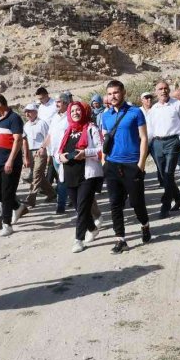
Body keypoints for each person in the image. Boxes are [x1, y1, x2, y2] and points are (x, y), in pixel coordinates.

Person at [101, 80, 151, 253]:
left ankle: (145, 224)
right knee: (115, 203)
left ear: (123, 93)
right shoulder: (105, 115)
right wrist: (104, 161)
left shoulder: (135, 112)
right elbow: (106, 139)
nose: (113, 96)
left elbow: (144, 138)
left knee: (137, 203)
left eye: (116, 92)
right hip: (113, 164)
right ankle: (120, 239)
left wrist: (141, 164)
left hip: (132, 165)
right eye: (110, 93)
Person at [55, 101, 104, 253]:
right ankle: (92, 228)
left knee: (82, 207)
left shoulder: (91, 128)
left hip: (87, 175)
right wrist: (60, 157)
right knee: (79, 207)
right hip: (69, 176)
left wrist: (85, 153)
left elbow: (101, 149)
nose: (75, 113)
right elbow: (58, 152)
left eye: (78, 110)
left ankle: (79, 239)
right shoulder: (67, 131)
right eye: (73, 110)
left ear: (83, 112)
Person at [146, 81, 180, 218]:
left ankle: (165, 205)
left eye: (166, 88)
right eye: (160, 89)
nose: (163, 91)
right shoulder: (153, 109)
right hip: (157, 143)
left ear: (169, 90)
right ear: (156, 92)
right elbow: (150, 130)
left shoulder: (177, 105)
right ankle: (178, 198)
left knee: (168, 174)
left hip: (173, 142)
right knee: (164, 175)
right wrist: (144, 146)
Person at [0, 94, 29, 237]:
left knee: (6, 193)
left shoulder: (14, 118)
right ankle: (18, 206)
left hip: (9, 163)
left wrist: (10, 160)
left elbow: (18, 141)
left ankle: (7, 224)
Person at [22, 103, 56, 208]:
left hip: (41, 150)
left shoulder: (42, 123)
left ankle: (31, 198)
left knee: (36, 174)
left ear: (35, 112)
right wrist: (25, 156)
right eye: (26, 112)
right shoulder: (26, 125)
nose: (27, 114)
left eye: (29, 111)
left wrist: (49, 153)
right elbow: (25, 141)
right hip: (30, 151)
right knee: (38, 175)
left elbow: (48, 138)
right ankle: (52, 193)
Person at [46, 91, 73, 215]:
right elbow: (50, 135)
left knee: (62, 180)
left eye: (58, 101)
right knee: (64, 180)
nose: (56, 104)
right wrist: (43, 148)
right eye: (56, 101)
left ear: (65, 102)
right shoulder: (54, 117)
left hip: (66, 153)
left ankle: (61, 205)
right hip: (55, 154)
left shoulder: (71, 116)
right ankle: (73, 198)